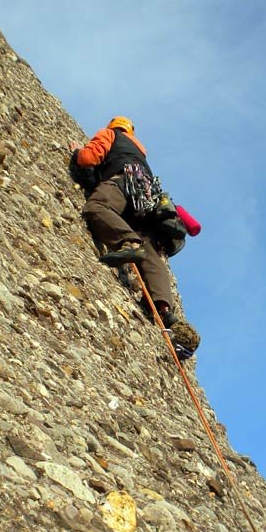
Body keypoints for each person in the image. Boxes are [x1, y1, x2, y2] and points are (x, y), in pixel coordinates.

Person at [70, 116, 200, 355]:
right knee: (150, 251)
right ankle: (164, 310)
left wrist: (78, 152)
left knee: (97, 207)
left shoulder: (111, 134)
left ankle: (128, 242)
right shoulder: (140, 155)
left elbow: (89, 158)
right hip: (146, 200)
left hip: (123, 183)